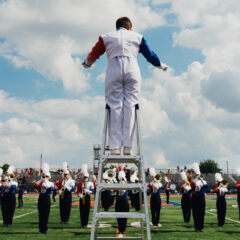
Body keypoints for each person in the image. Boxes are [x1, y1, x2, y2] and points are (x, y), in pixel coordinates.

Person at [82, 17, 167, 155]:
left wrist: (87, 63)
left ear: (117, 27)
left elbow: (94, 53)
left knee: (115, 106)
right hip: (132, 69)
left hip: (114, 69)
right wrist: (160, 65)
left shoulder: (106, 37)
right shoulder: (137, 36)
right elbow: (149, 54)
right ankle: (128, 146)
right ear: (129, 28)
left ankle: (115, 147)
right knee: (131, 106)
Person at [33, 163, 54, 234]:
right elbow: (35, 186)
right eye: (45, 176)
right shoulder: (41, 182)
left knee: (46, 215)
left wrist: (46, 181)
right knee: (40, 215)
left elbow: (51, 189)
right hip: (41, 199)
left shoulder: (51, 183)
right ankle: (40, 229)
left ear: (49, 177)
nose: (46, 177)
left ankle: (45, 229)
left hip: (47, 200)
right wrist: (41, 180)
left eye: (47, 176)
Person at [190, 163, 209, 232]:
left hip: (201, 198)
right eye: (197, 175)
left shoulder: (203, 181)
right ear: (195, 175)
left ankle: (201, 227)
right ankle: (196, 227)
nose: (198, 176)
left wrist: (202, 181)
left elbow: (207, 187)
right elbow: (191, 188)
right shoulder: (193, 182)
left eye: (199, 175)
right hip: (195, 198)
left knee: (201, 213)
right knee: (195, 213)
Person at [115, 170, 129, 237]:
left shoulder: (125, 182)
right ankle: (120, 229)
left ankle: (123, 229)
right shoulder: (118, 182)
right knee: (118, 215)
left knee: (125, 216)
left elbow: (123, 191)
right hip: (119, 200)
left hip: (124, 200)